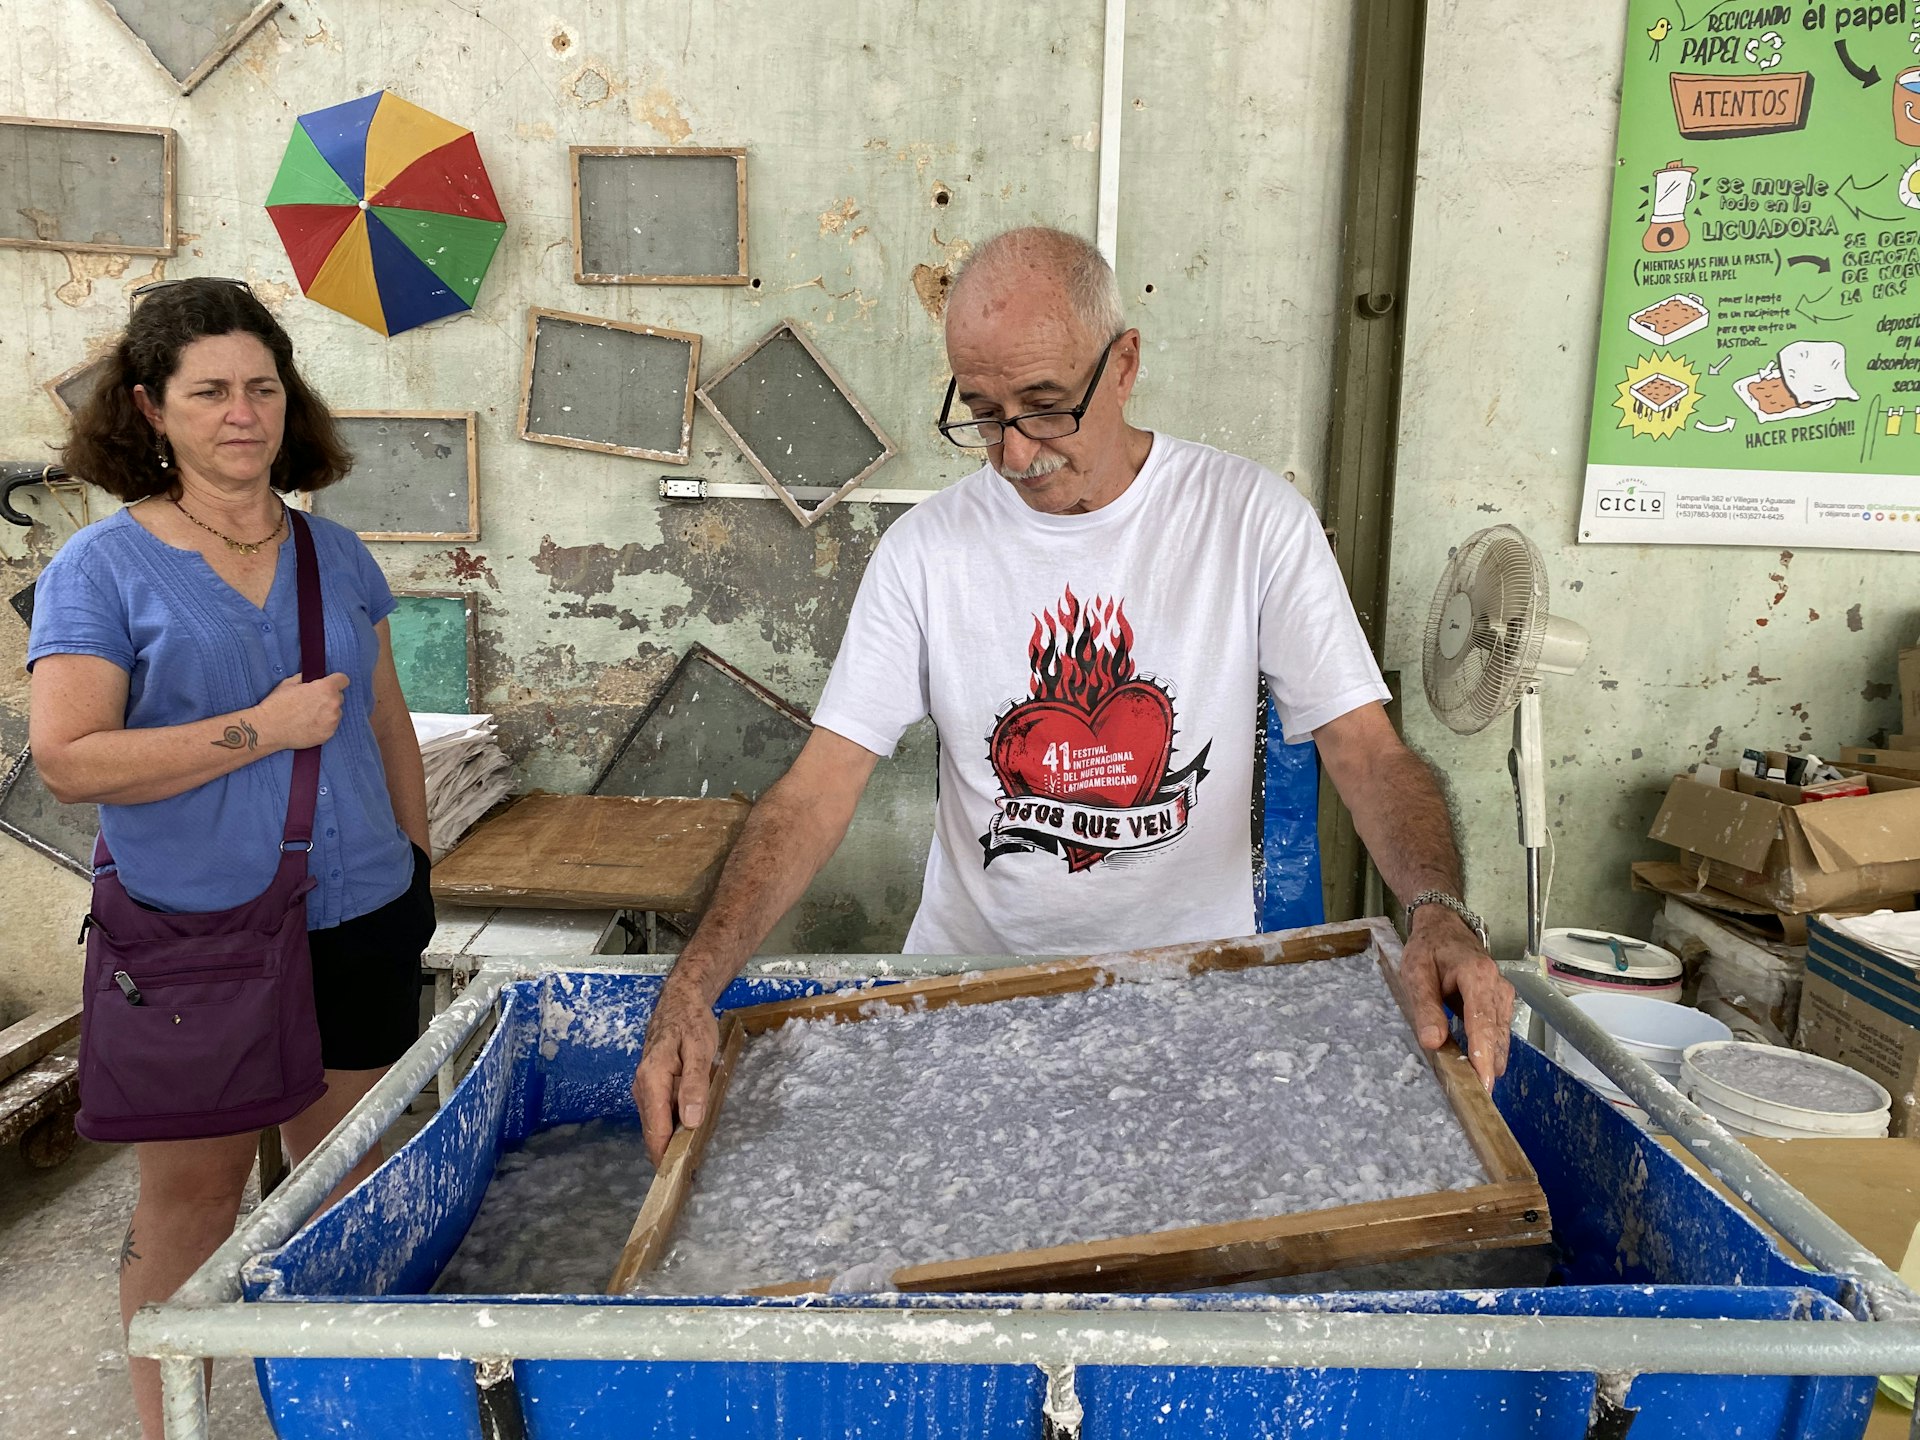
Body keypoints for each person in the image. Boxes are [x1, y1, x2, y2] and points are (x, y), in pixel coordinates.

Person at [634, 226, 1513, 1163]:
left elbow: (1367, 753)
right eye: (981, 412)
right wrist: (695, 984)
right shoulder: (926, 553)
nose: (1015, 453)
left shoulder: (1251, 523)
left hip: (1190, 992)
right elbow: (817, 792)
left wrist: (1437, 912)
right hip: (972, 994)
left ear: (1124, 363)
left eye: (1046, 407)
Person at [27, 278, 435, 1438]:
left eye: (261, 387)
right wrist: (261, 729)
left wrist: (410, 867)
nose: (241, 413)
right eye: (210, 391)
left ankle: (349, 1410)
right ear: (153, 409)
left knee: (351, 1183)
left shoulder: (337, 554)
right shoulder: (99, 572)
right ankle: (174, 1427)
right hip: (196, 934)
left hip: (358, 914)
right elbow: (69, 760)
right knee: (194, 1203)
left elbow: (386, 723)